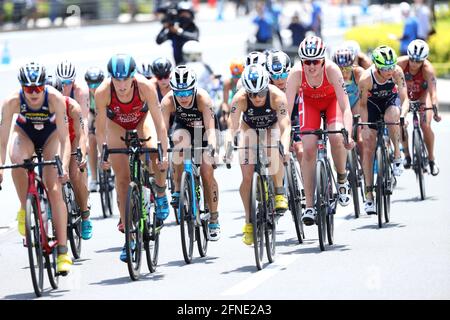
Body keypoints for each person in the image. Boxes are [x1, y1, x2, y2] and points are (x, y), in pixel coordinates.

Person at [95, 54, 169, 262]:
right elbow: (100, 128)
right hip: (117, 127)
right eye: (116, 79)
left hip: (141, 122)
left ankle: (161, 194)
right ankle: (129, 237)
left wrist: (164, 149)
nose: (121, 84)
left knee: (155, 153)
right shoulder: (103, 92)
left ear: (132, 76)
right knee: (122, 180)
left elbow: (159, 121)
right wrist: (103, 153)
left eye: (125, 79)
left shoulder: (145, 87)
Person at [0, 62, 72, 274]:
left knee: (54, 188)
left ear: (44, 86)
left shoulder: (55, 99)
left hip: (50, 137)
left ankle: (62, 251)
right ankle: (25, 207)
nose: (33, 93)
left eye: (38, 88)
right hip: (25, 134)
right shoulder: (12, 101)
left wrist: (64, 166)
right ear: (22, 87)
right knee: (17, 161)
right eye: (28, 89)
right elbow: (2, 140)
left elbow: (64, 138)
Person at [285, 36, 354, 226]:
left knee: (336, 137)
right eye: (307, 61)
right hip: (310, 105)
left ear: (323, 60)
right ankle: (309, 205)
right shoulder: (295, 74)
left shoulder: (332, 70)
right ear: (301, 61)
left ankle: (341, 179)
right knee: (307, 148)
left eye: (315, 61)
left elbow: (346, 107)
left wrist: (348, 132)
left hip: (332, 103)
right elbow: (285, 112)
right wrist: (284, 138)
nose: (311, 66)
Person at [226, 63, 291, 245]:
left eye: (260, 93)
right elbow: (232, 128)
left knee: (272, 146)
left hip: (271, 127)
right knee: (247, 177)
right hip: (249, 129)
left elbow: (286, 126)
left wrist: (285, 148)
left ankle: (279, 192)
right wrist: (229, 148)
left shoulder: (277, 96)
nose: (256, 98)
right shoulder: (239, 98)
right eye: (252, 94)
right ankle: (248, 222)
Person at [160, 65, 221, 240]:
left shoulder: (203, 98)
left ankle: (214, 218)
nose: (184, 97)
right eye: (179, 93)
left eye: (187, 92)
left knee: (207, 171)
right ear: (173, 92)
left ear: (194, 89)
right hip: (183, 128)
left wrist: (212, 149)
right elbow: (163, 131)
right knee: (178, 145)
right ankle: (178, 189)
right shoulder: (167, 101)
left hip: (204, 130)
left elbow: (211, 129)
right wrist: (163, 153)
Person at [358, 45, 409, 215]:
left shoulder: (397, 72)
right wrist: (365, 127)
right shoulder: (366, 79)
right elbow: (363, 105)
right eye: (385, 68)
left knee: (392, 117)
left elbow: (404, 98)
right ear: (377, 66)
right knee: (368, 147)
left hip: (390, 102)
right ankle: (369, 194)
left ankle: (396, 156)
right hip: (371, 106)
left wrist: (402, 116)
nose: (389, 71)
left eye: (392, 66)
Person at [47, 75, 92, 240]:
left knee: (74, 174)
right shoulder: (41, 108)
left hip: (71, 140)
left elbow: (81, 135)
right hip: (53, 141)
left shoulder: (73, 106)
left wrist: (82, 153)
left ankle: (85, 214)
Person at [398, 39, 441, 175]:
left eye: (418, 61)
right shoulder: (400, 64)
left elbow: (433, 93)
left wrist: (435, 110)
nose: (414, 63)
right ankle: (407, 155)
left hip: (422, 96)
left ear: (424, 60)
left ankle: (431, 159)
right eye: (412, 59)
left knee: (425, 125)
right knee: (400, 123)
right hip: (405, 96)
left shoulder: (428, 69)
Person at [266, 50, 304, 163]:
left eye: (283, 75)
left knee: (300, 150)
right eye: (275, 76)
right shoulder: (266, 87)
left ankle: (306, 178)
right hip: (277, 119)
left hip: (296, 116)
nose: (279, 79)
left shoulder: (297, 81)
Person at [332, 47, 365, 157]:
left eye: (347, 68)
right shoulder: (331, 74)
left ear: (353, 65)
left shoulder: (358, 72)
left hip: (355, 103)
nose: (344, 72)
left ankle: (365, 165)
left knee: (360, 139)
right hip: (340, 106)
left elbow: (369, 88)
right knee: (340, 137)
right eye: (341, 69)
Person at [156, 1, 199, 65]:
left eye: (186, 14)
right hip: (179, 64)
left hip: (193, 63)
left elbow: (194, 37)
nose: (184, 16)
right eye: (182, 13)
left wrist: (179, 31)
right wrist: (165, 27)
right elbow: (159, 40)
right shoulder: (173, 30)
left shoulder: (192, 27)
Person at [84, 67, 105, 194]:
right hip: (92, 112)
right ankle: (94, 178)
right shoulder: (85, 94)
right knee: (91, 138)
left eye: (97, 84)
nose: (94, 87)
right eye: (91, 84)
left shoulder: (106, 90)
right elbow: (86, 115)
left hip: (106, 113)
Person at [221, 58, 245, 130]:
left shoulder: (246, 82)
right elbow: (225, 103)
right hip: (233, 103)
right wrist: (225, 115)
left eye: (238, 76)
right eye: (234, 75)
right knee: (224, 120)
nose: (236, 78)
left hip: (243, 102)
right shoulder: (228, 83)